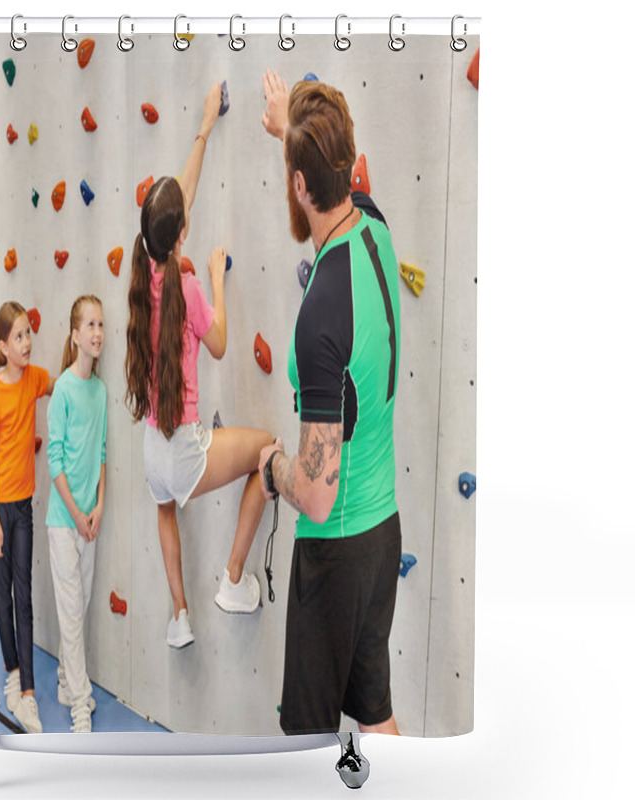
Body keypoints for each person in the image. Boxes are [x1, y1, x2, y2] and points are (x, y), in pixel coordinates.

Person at [258, 72, 403, 736]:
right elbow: (331, 180)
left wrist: (271, 466)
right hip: (381, 534)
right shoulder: (375, 230)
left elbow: (315, 494)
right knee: (376, 721)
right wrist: (287, 133)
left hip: (335, 550)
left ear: (296, 183)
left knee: (307, 746)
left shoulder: (321, 311)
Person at [125, 83, 273, 650]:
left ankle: (180, 615)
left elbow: (175, 203)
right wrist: (214, 276)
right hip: (186, 448)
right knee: (268, 452)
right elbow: (219, 345)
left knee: (167, 512)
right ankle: (233, 580)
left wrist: (205, 127)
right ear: (182, 237)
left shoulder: (144, 270)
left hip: (152, 452)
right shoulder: (187, 286)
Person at [0, 301, 54, 733]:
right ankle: (12, 672)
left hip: (24, 508)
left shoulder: (33, 379)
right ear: (3, 346)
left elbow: (60, 384)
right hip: (0, 511)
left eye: (29, 333)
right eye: (20, 337)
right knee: (4, 596)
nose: (27, 342)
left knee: (24, 597)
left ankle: (28, 694)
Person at [46, 295, 107, 733]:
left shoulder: (100, 391)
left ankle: (67, 680)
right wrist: (76, 513)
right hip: (63, 522)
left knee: (80, 606)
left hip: (91, 519)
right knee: (70, 610)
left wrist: (100, 505)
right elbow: (55, 462)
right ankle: (80, 706)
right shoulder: (63, 389)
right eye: (89, 325)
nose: (97, 332)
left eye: (101, 325)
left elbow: (101, 452)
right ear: (74, 335)